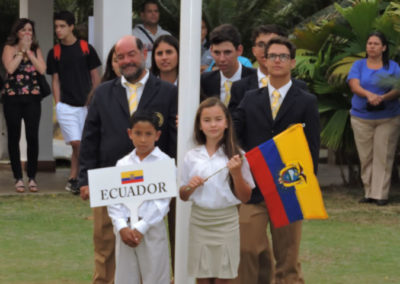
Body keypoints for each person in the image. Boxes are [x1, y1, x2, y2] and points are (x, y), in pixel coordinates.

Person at [78, 34, 177, 284]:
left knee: (152, 243)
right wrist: (84, 179)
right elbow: (89, 138)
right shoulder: (102, 93)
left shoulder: (167, 92)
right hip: (109, 179)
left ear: (144, 53)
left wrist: (175, 174)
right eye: (120, 57)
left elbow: (175, 138)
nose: (126, 61)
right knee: (105, 245)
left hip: (154, 182)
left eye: (131, 54)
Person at [232, 37, 320, 284]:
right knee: (247, 249)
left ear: (292, 62)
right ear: (265, 60)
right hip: (255, 191)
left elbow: (312, 150)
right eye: (273, 56)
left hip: (289, 190)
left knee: (288, 260)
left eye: (283, 56)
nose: (278, 60)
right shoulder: (250, 98)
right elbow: (233, 131)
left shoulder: (306, 101)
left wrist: (304, 184)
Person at [180, 97, 254, 284]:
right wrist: (190, 186)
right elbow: (182, 195)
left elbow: (245, 197)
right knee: (202, 275)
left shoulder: (238, 155)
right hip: (200, 220)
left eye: (218, 119)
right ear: (200, 125)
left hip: (226, 221)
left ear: (227, 122)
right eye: (207, 120)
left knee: (225, 276)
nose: (213, 125)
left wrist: (236, 174)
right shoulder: (192, 156)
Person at [108, 111, 172, 284]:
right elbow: (113, 198)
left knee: (156, 277)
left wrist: (142, 227)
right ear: (130, 134)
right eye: (138, 133)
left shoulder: (164, 162)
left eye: (148, 134)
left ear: (157, 135)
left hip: (151, 228)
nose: (143, 139)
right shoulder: (123, 164)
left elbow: (163, 202)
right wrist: (122, 226)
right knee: (125, 277)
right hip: (125, 231)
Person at [47, 10, 101, 195]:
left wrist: (95, 100)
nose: (58, 30)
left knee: (84, 142)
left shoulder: (86, 49)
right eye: (56, 27)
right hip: (66, 106)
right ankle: (79, 176)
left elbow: (95, 76)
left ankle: (74, 178)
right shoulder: (55, 52)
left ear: (71, 27)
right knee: (77, 143)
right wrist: (58, 103)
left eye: (62, 26)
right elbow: (55, 79)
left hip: (86, 106)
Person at [348, 31, 400, 206]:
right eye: (369, 43)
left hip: (387, 117)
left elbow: (398, 88)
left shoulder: (393, 67)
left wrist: (382, 98)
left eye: (376, 43)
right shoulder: (359, 65)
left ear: (384, 47)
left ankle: (380, 194)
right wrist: (369, 95)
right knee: (366, 156)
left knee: (383, 155)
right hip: (361, 117)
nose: (371, 46)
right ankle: (368, 192)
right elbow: (354, 85)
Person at [1, 18, 46, 193]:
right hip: (12, 98)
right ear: (17, 32)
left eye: (30, 30)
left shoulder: (35, 49)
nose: (27, 33)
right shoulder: (9, 48)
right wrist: (21, 52)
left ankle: (32, 177)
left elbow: (42, 69)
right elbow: (10, 69)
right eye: (24, 30)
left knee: (32, 137)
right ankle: (18, 177)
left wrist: (31, 53)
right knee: (14, 137)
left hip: (33, 98)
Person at [200, 24, 255, 105]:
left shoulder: (256, 79)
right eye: (217, 52)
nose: (222, 59)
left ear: (239, 50)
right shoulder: (204, 81)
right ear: (211, 50)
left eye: (227, 52)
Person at [133, 0, 171, 69]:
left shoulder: (166, 35)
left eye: (156, 11)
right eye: (149, 11)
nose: (153, 14)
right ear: (142, 15)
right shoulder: (134, 35)